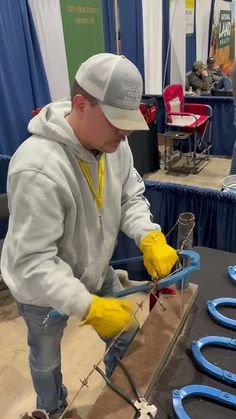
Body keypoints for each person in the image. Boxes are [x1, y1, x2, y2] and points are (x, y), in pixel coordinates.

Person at [0, 53, 178, 418]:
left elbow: (131, 194)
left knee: (128, 334)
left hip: (95, 270)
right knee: (46, 360)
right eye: (116, 120)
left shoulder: (115, 144)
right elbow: (32, 262)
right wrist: (88, 307)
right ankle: (51, 408)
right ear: (81, 104)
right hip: (42, 293)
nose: (125, 132)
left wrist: (149, 236)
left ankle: (121, 398)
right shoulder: (38, 167)